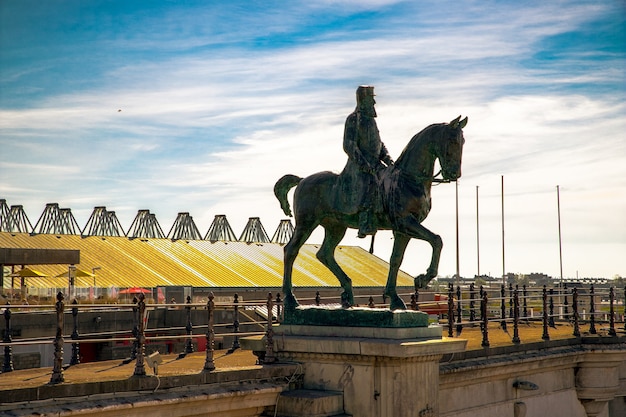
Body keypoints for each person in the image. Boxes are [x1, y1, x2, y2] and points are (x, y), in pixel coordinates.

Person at [341, 85, 394, 238]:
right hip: (358, 166)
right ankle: (365, 222)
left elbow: (379, 144)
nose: (374, 103)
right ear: (363, 100)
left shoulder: (371, 121)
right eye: (371, 99)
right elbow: (349, 145)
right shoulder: (353, 119)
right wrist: (365, 165)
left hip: (375, 165)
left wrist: (388, 160)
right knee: (370, 183)